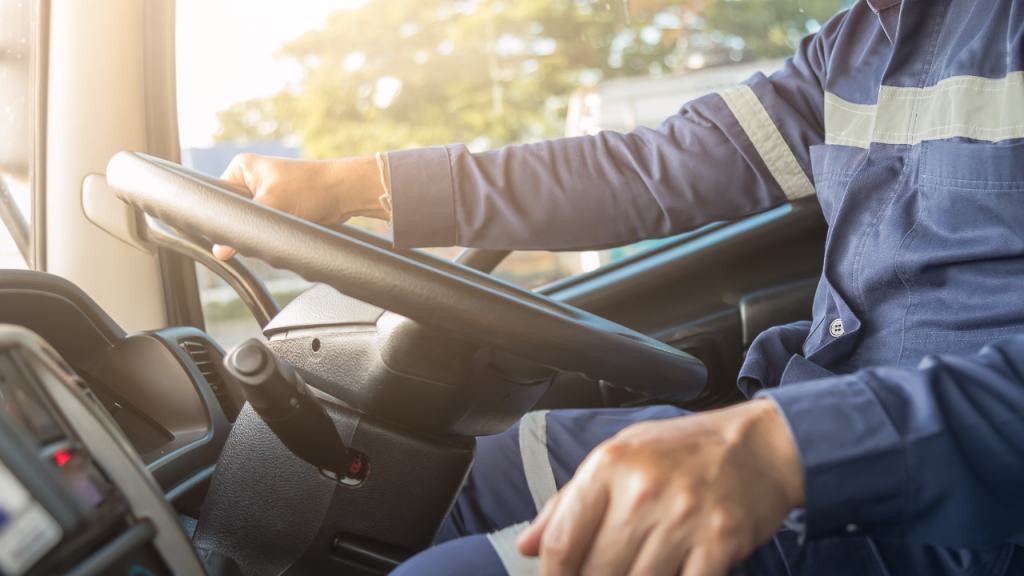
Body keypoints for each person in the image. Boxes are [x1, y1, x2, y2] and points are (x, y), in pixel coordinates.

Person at [212, 0, 1024, 574]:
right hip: (814, 432)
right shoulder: (854, 50)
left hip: (948, 509)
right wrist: (357, 185)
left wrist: (786, 449)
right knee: (431, 475)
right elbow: (649, 170)